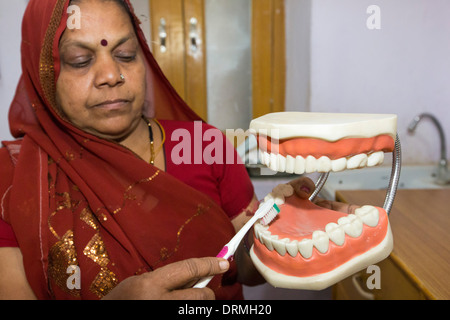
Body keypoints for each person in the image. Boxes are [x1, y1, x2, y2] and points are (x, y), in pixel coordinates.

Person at [0, 0, 355, 300]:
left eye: (126, 54)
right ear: (44, 75)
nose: (111, 74)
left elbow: (244, 266)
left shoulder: (203, 145)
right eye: (80, 60)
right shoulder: (16, 175)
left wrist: (280, 234)